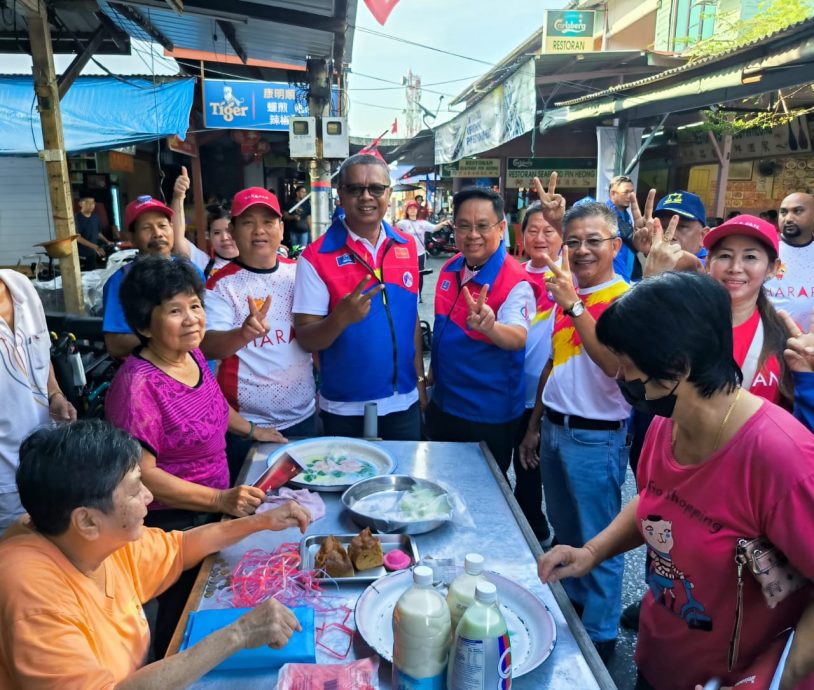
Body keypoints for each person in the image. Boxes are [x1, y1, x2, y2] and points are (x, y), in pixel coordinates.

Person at [539, 271, 814, 690]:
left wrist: (776, 679)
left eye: (628, 368)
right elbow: (656, 500)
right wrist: (591, 552)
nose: (620, 379)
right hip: (659, 660)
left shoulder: (783, 459)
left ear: (678, 368)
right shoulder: (668, 425)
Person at [0, 419, 312, 689]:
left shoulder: (90, 539)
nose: (149, 496)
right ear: (87, 520)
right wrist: (239, 634)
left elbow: (179, 548)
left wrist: (260, 522)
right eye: (135, 490)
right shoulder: (32, 596)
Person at [105, 256, 287, 657]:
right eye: (174, 310)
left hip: (213, 511)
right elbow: (143, 475)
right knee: (184, 621)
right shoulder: (138, 386)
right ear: (142, 325)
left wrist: (256, 432)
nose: (191, 319)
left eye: (195, 306)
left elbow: (215, 407)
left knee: (219, 612)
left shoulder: (191, 357)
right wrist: (220, 500)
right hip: (172, 528)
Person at [519, 201, 631, 659]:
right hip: (556, 431)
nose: (583, 250)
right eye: (576, 241)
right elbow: (553, 366)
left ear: (616, 246)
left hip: (598, 437)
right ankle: (579, 612)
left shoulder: (626, 299)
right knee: (567, 534)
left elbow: (614, 367)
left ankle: (602, 637)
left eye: (594, 240)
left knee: (599, 541)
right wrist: (534, 426)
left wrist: (574, 304)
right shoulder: (569, 294)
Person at [292, 154, 424, 440]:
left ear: (389, 194)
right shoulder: (316, 257)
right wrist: (339, 319)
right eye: (355, 189)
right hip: (345, 409)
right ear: (340, 194)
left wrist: (421, 384)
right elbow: (306, 338)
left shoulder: (408, 246)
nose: (366, 196)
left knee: (403, 485)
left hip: (405, 402)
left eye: (376, 188)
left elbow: (411, 321)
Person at [202, 187, 317, 476]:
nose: (259, 231)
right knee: (254, 509)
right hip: (248, 427)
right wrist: (244, 333)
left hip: (304, 416)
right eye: (248, 222)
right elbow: (207, 346)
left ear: (281, 228)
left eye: (268, 222)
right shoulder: (220, 286)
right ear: (233, 229)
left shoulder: (301, 273)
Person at [426, 187, 536, 475]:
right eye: (464, 226)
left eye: (482, 226)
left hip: (487, 414)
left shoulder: (515, 279)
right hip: (444, 403)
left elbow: (517, 336)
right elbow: (440, 329)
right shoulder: (450, 267)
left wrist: (491, 327)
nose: (472, 234)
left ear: (501, 228)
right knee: (441, 480)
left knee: (485, 492)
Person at [0, 269, 75, 531]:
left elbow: (40, 351)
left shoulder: (20, 286)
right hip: (4, 482)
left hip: (48, 463)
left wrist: (55, 394)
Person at [511, 182, 563, 543]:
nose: (541, 237)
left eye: (549, 230)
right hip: (513, 393)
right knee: (523, 468)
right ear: (521, 235)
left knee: (546, 472)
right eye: (533, 229)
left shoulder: (571, 274)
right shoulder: (511, 273)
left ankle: (555, 539)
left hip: (552, 396)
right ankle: (532, 532)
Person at [103, 195, 204, 358]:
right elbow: (115, 344)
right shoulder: (121, 281)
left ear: (172, 228)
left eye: (162, 225)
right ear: (131, 237)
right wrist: (168, 335)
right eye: (146, 228)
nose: (157, 234)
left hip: (199, 368)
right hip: (152, 377)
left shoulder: (191, 271)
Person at [171, 167, 238, 278]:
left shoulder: (258, 264)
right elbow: (177, 237)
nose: (224, 237)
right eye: (216, 232)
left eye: (229, 231)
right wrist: (178, 197)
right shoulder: (203, 264)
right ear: (209, 236)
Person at [765, 192, 814, 332]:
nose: (788, 218)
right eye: (783, 212)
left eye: (797, 211)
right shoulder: (766, 249)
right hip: (768, 340)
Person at [396, 200, 449, 301]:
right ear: (407, 211)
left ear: (417, 210)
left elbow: (434, 228)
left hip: (420, 254)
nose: (412, 210)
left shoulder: (423, 223)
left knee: (420, 274)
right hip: (408, 255)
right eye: (410, 208)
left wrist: (443, 223)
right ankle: (409, 293)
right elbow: (393, 229)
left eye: (414, 208)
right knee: (408, 274)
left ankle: (419, 294)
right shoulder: (403, 223)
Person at [605, 175, 638, 282]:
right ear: (613, 194)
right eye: (626, 192)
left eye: (632, 192)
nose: (630, 196)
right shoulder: (607, 214)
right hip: (617, 273)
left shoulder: (626, 214)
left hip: (627, 271)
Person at [74, 196, 113, 271]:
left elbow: (97, 233)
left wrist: (107, 241)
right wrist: (95, 247)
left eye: (93, 203)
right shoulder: (76, 218)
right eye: (88, 202)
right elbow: (77, 238)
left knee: (94, 273)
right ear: (80, 204)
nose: (91, 205)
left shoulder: (95, 217)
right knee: (85, 275)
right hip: (82, 254)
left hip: (93, 252)